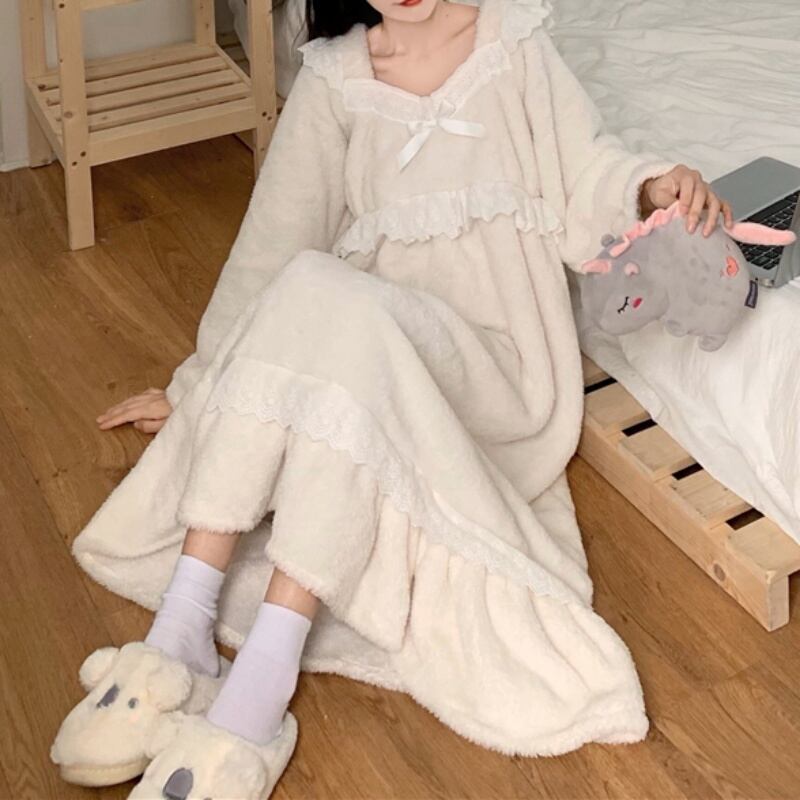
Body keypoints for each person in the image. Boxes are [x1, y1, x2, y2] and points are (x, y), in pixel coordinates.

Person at [51, 1, 732, 797]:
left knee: (330, 298)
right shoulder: (334, 78)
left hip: (492, 376)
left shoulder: (512, 42)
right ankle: (181, 636)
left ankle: (256, 680)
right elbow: (271, 245)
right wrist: (202, 385)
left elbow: (589, 169)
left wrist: (651, 184)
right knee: (313, 287)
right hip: (369, 357)